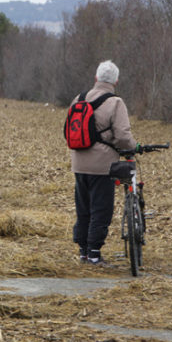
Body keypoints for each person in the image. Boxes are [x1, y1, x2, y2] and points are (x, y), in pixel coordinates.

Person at [68, 60, 137, 265]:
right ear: (116, 81)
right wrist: (133, 147)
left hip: (78, 163)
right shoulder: (115, 102)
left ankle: (83, 252)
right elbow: (123, 136)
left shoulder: (78, 99)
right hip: (102, 166)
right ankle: (95, 254)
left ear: (96, 78)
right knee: (101, 210)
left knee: (84, 209)